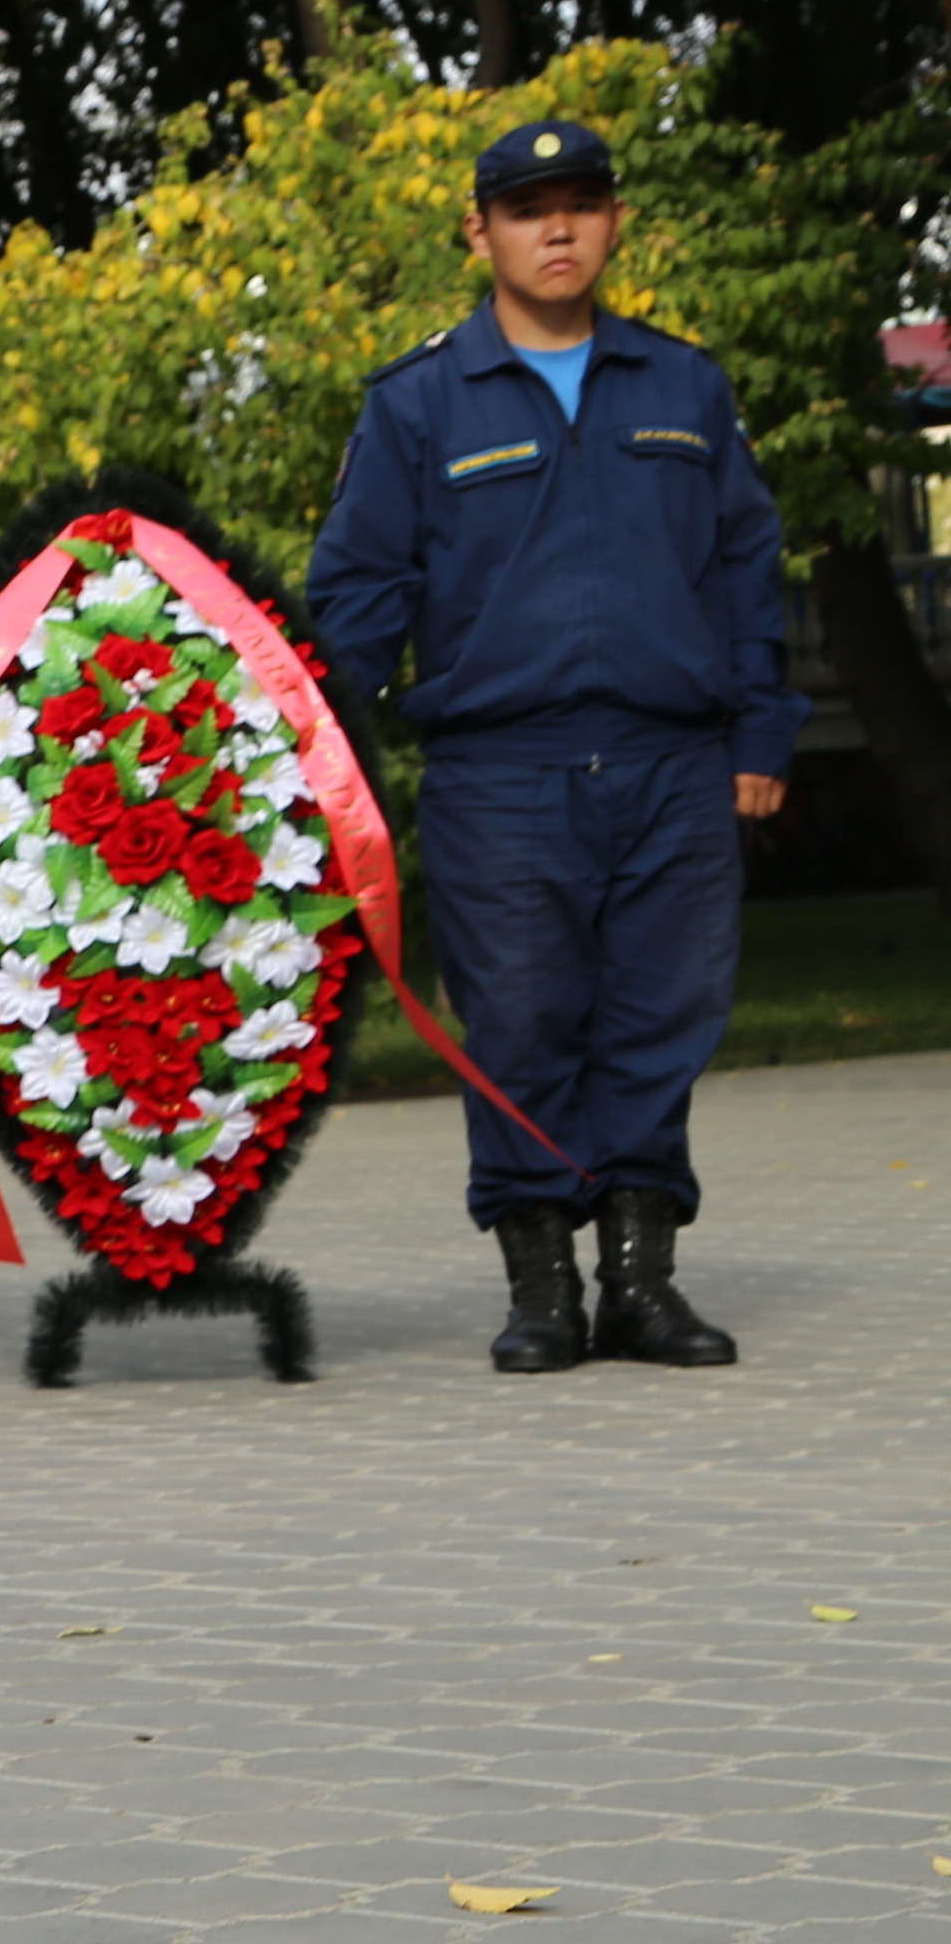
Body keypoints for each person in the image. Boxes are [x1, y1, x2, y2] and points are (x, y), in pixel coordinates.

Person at [302, 114, 797, 1372]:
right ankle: (542, 1290)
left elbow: (748, 573)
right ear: (482, 232)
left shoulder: (685, 386)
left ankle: (640, 1282)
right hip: (498, 770)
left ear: (614, 220)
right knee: (519, 1020)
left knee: (659, 1016)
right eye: (529, 209)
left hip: (673, 758)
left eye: (581, 203)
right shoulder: (418, 403)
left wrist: (763, 734)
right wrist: (313, 765)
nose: (558, 227)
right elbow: (356, 599)